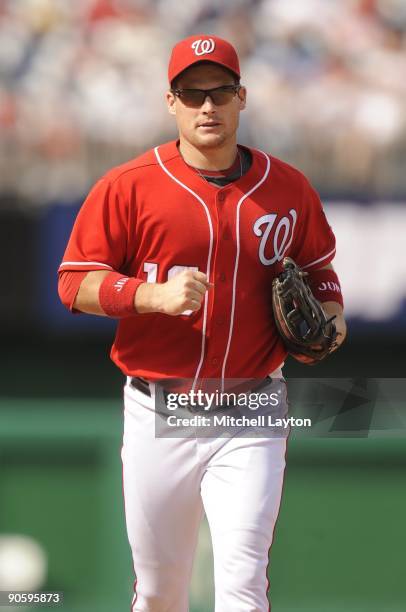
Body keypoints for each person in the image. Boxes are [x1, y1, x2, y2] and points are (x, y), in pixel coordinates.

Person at [58, 34, 346, 612]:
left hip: (251, 405)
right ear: (171, 103)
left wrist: (330, 324)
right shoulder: (128, 185)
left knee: (242, 584)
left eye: (219, 92)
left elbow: (320, 274)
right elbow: (73, 282)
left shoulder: (287, 189)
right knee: (162, 592)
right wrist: (148, 296)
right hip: (158, 406)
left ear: (242, 98)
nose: (207, 107)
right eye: (192, 94)